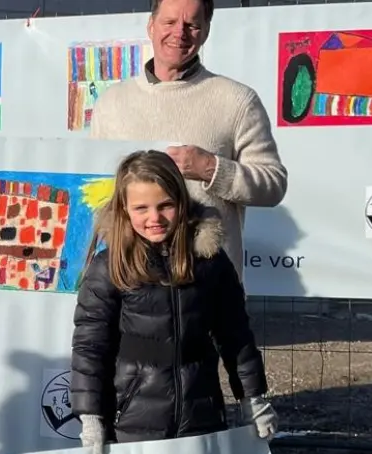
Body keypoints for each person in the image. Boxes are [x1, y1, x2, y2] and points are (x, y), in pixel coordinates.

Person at [70, 150, 275, 454]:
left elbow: (236, 336)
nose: (154, 218)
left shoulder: (210, 263)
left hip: (201, 411)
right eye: (141, 208)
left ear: (181, 202)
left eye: (165, 205)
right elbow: (90, 346)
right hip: (132, 419)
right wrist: (91, 415)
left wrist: (253, 399)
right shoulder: (109, 268)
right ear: (125, 210)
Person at [88, 0, 286, 274]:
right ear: (151, 26)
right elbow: (99, 192)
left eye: (191, 25)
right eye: (169, 22)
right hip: (131, 283)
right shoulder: (111, 103)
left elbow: (273, 184)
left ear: (205, 31)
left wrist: (210, 168)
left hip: (207, 285)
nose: (179, 33)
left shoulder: (237, 100)